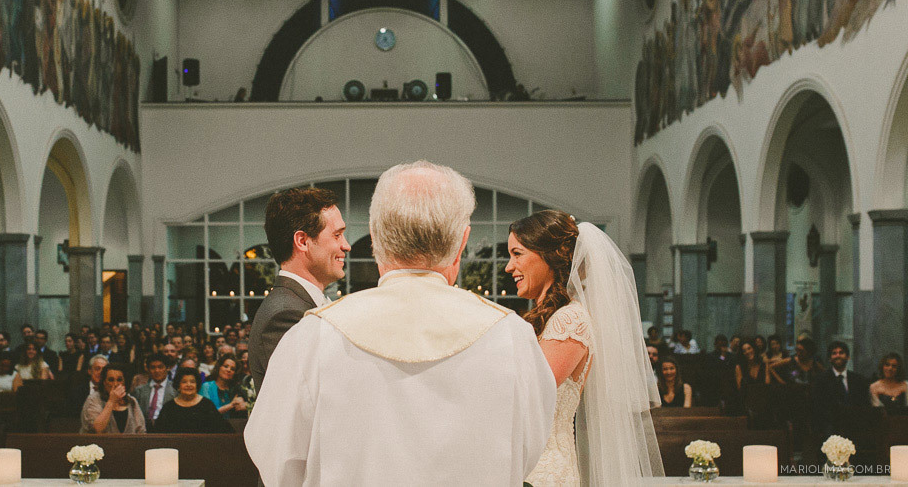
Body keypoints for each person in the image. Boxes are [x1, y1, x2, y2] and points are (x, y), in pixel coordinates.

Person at [245, 161, 555, 486]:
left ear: (375, 237)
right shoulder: (511, 335)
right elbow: (528, 451)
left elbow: (277, 461)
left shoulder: (312, 337)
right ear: (462, 242)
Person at [507, 211, 663, 485]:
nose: (509, 266)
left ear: (549, 256)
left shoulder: (569, 319)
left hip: (544, 473)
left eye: (517, 254)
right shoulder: (550, 318)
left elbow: (527, 392)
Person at [249, 186, 351, 393]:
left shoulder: (296, 303)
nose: (346, 246)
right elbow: (314, 397)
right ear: (303, 241)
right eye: (337, 235)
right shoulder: (285, 315)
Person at [155, 367, 231, 433]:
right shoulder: (169, 407)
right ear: (178, 386)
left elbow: (220, 429)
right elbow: (159, 432)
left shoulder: (207, 405)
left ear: (197, 385)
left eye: (192, 382)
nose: (189, 385)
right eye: (184, 382)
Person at [80, 363, 146, 434]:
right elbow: (97, 429)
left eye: (119, 380)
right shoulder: (93, 399)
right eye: (111, 380)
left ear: (124, 382)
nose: (115, 384)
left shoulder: (132, 401)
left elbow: (141, 430)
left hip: (129, 444)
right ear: (104, 382)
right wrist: (111, 401)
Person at [133, 353, 176, 431]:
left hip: (168, 430)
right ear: (148, 369)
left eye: (160, 367)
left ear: (167, 368)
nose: (157, 371)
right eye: (153, 367)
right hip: (145, 430)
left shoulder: (175, 390)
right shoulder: (139, 390)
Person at [735, 339, 771, 427]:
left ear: (754, 349)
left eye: (749, 348)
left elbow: (767, 385)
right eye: (744, 351)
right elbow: (740, 388)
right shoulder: (739, 367)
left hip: (763, 401)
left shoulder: (763, 365)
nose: (747, 352)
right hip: (747, 402)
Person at [199, 354, 246, 419]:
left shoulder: (235, 390)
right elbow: (208, 414)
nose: (229, 370)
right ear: (219, 367)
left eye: (232, 369)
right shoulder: (207, 386)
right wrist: (231, 405)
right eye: (226, 366)